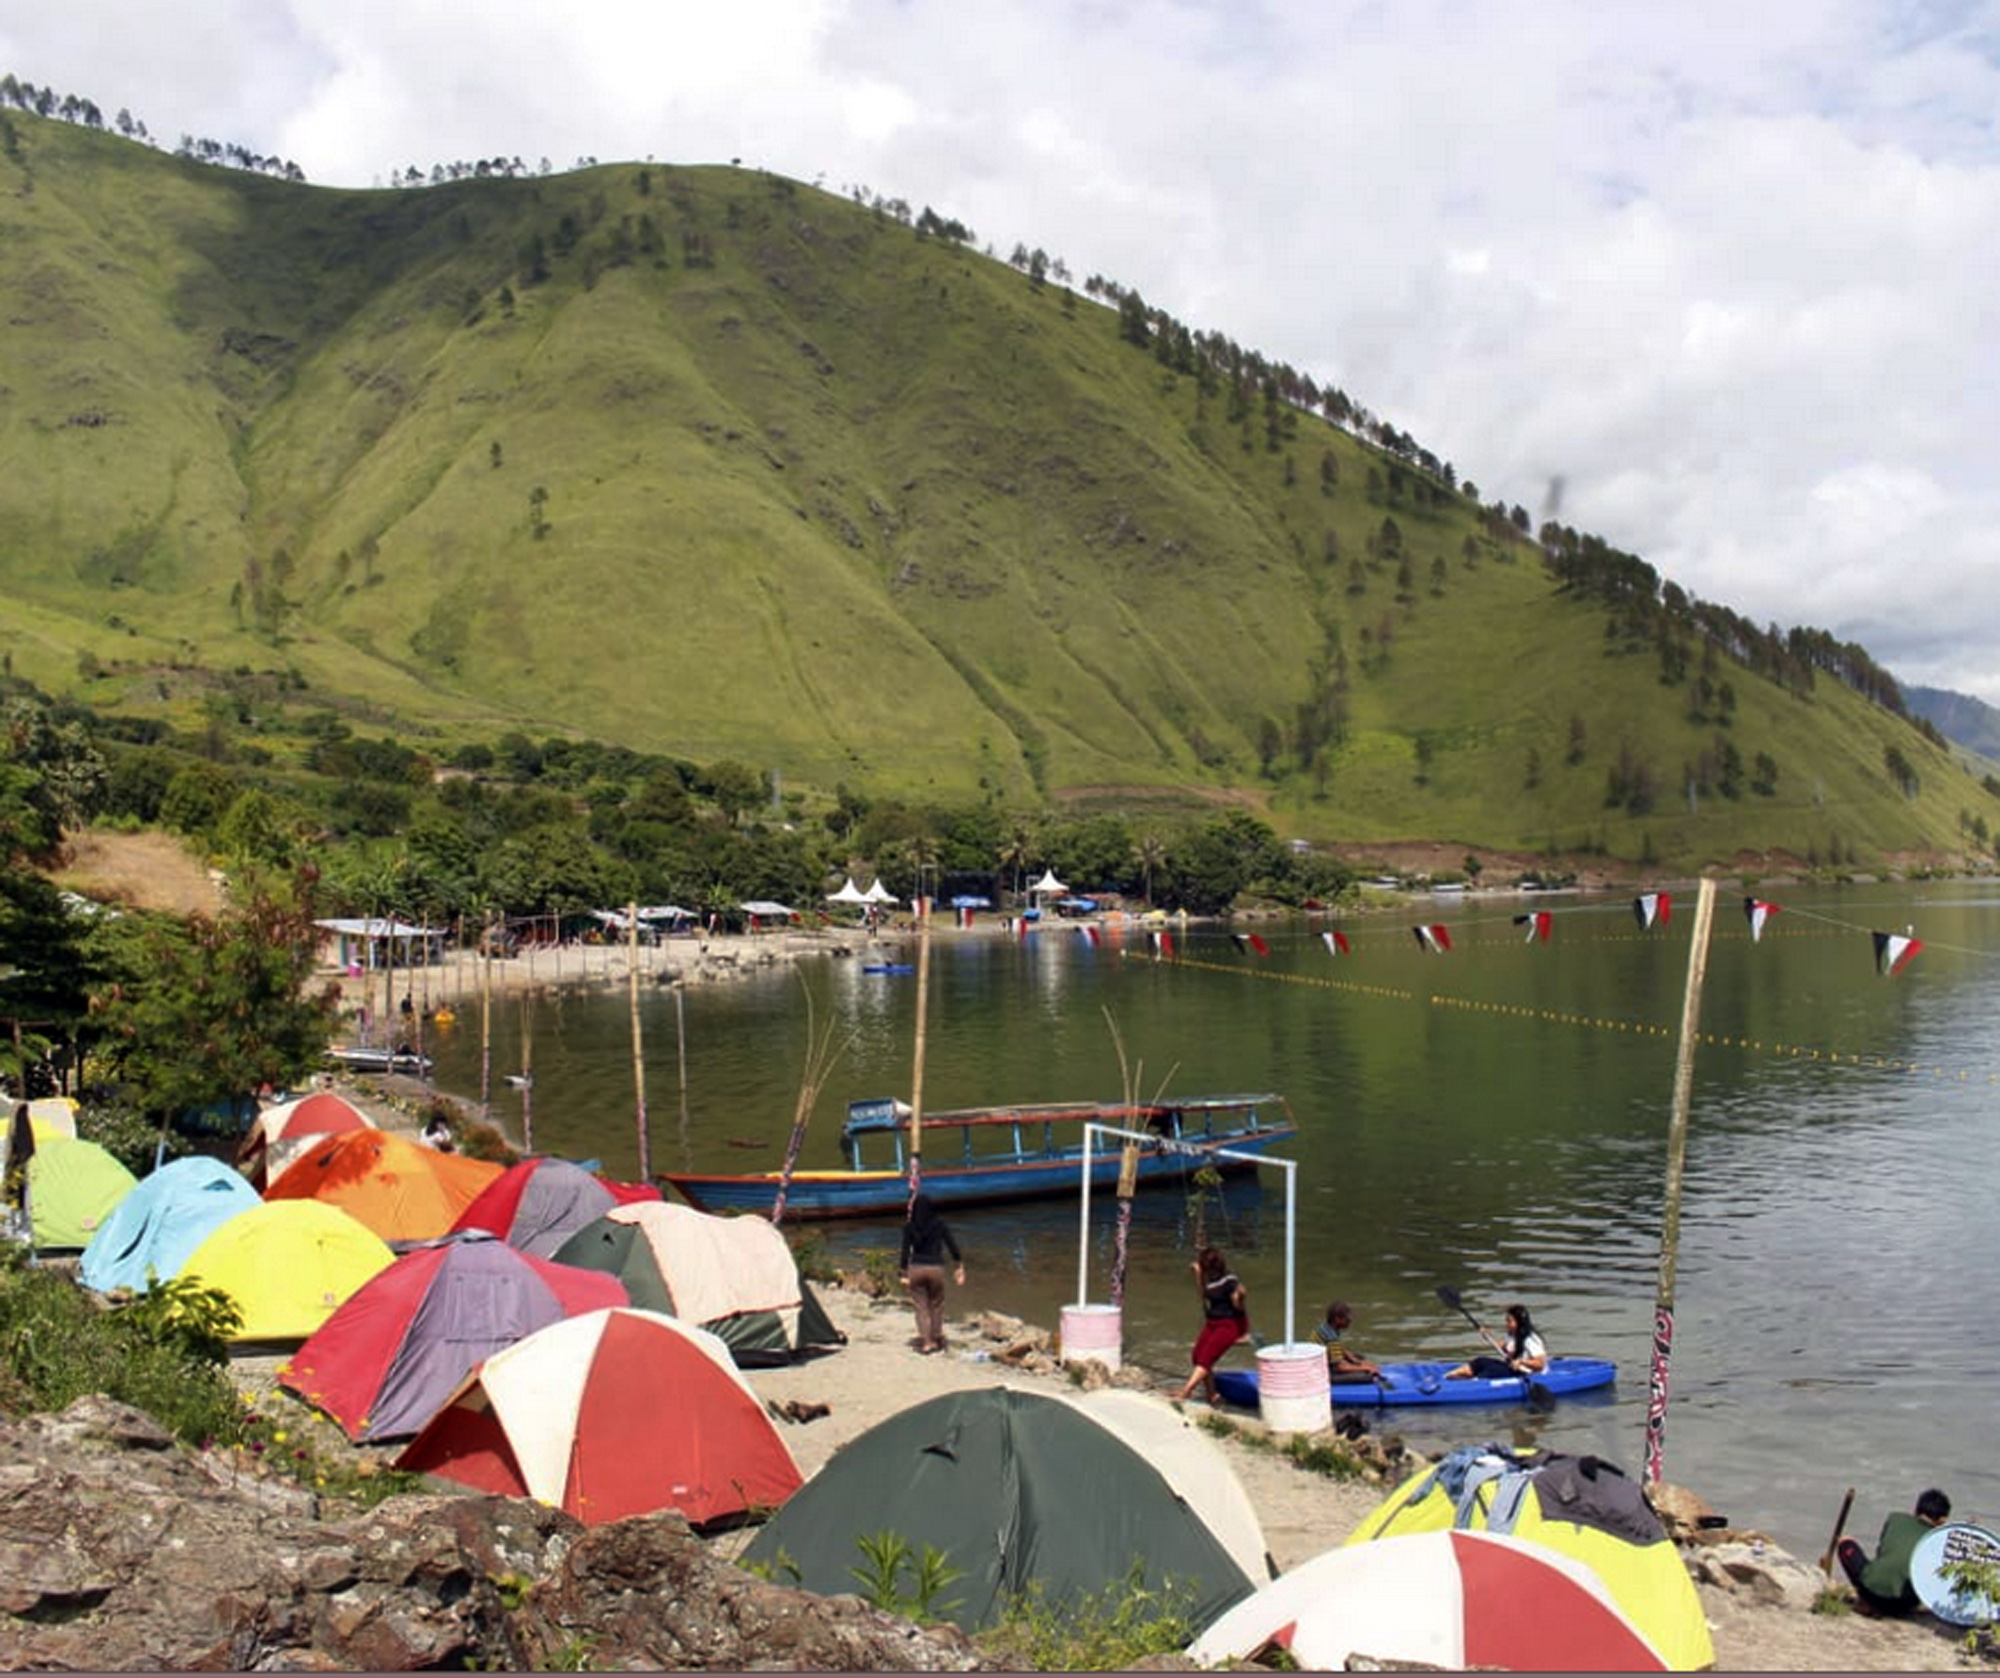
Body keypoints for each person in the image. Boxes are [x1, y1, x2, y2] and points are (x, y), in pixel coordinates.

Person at [1838, 1488, 1951, 1616]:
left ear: (1917, 1509)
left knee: (1845, 1542)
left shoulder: (1895, 1519)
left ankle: (1867, 1602)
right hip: (1904, 1603)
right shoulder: (1941, 1539)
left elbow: (1882, 1551)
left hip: (1870, 1591)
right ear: (1942, 1520)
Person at [1175, 1246, 1250, 1405]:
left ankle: (1186, 1392)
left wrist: (1241, 1296)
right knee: (1197, 1356)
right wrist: (1198, 1274)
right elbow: (1204, 1295)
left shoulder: (1229, 1280)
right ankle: (1212, 1394)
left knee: (1205, 1359)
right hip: (1213, 1322)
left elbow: (1237, 1305)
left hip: (1230, 1324)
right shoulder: (1210, 1279)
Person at [898, 1192, 963, 1354]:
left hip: (916, 1268)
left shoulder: (910, 1226)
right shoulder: (939, 1224)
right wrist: (958, 1265)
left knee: (921, 1307)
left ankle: (926, 1343)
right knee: (937, 1304)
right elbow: (952, 1245)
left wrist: (902, 1273)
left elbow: (905, 1252)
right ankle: (936, 1338)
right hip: (935, 1267)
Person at [1446, 1302, 1548, 1380]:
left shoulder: (1530, 1339)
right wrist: (1488, 1337)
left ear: (1519, 1322)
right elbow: (1505, 1347)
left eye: (1509, 1321)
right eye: (1506, 1320)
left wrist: (1522, 1362)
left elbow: (1540, 1364)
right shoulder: (1513, 1335)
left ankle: (1474, 1384)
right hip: (1512, 1369)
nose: (1506, 1324)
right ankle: (1447, 1377)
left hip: (1526, 1374)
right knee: (1480, 1362)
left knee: (1492, 1371)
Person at [1313, 1299, 1382, 1383]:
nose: (1349, 1321)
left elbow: (1337, 1349)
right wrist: (1365, 1368)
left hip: (1322, 1362)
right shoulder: (1332, 1338)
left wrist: (1354, 1360)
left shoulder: (1326, 1326)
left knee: (1358, 1357)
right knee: (1366, 1376)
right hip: (1324, 1371)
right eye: (1347, 1319)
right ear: (1337, 1319)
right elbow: (1340, 1367)